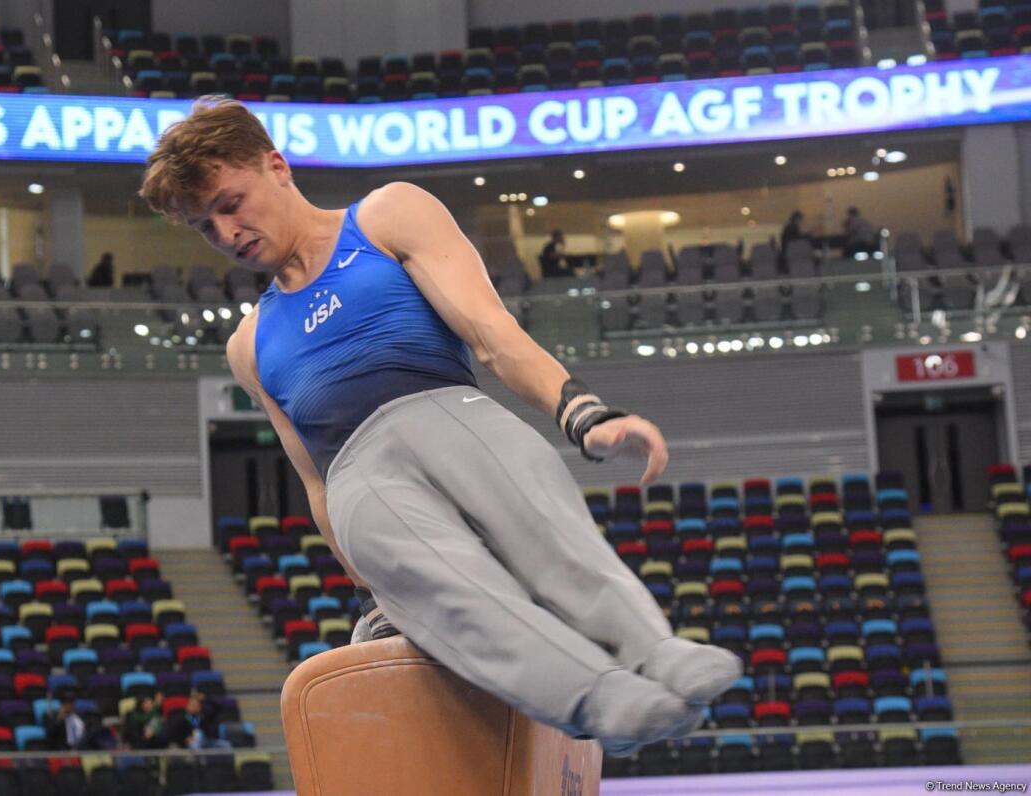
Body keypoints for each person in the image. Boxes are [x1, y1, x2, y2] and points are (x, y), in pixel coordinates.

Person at [139, 97, 741, 756]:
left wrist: (582, 413)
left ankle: (656, 650)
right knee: (456, 590)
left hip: (452, 414)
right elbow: (315, 483)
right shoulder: (248, 345)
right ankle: (597, 697)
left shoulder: (386, 215)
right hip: (360, 479)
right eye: (204, 226)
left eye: (230, 203)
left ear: (276, 166)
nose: (226, 233)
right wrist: (374, 596)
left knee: (540, 521)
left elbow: (490, 331)